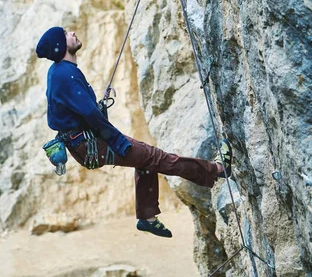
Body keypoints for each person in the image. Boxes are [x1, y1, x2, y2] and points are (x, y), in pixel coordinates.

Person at [36, 26, 233, 238]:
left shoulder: (58, 72)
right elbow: (91, 115)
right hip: (91, 143)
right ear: (60, 46)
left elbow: (79, 111)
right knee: (157, 158)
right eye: (66, 33)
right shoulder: (66, 74)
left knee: (146, 161)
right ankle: (217, 169)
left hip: (82, 143)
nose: (73, 33)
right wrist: (117, 141)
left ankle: (147, 217)